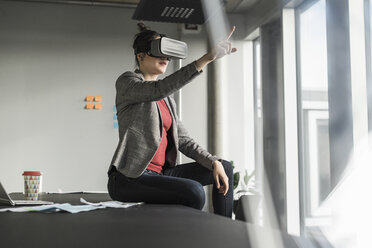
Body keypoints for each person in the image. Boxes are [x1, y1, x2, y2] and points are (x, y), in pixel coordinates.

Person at [107, 23, 237, 218]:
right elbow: (156, 89)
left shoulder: (167, 100)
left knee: (223, 167)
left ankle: (226, 232)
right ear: (140, 56)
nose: (165, 58)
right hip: (130, 177)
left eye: (167, 53)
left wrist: (213, 162)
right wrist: (207, 58)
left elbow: (184, 140)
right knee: (194, 191)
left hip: (161, 175)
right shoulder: (127, 82)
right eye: (158, 52)